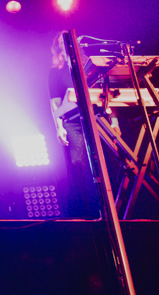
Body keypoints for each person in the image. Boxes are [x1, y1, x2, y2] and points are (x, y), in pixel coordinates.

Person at [48, 32, 116, 219]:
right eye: (62, 41)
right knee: (77, 166)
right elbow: (54, 102)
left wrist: (115, 121)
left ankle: (112, 211)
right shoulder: (55, 72)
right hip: (72, 122)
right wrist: (58, 127)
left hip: (97, 119)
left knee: (106, 163)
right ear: (59, 46)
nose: (67, 43)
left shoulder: (90, 66)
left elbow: (107, 94)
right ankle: (81, 216)